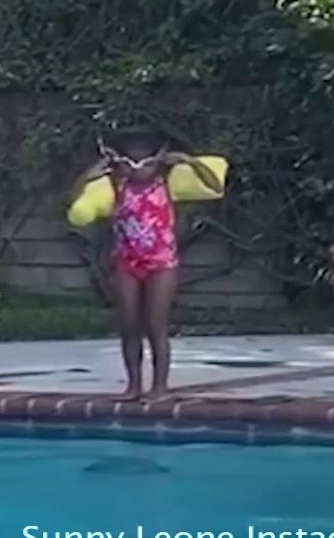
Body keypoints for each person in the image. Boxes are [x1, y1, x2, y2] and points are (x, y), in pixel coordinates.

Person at [71, 128, 222, 400]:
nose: (139, 170)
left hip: (162, 262)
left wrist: (190, 161)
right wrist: (86, 177)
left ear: (158, 160)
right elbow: (70, 204)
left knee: (156, 325)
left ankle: (160, 386)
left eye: (147, 163)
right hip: (127, 262)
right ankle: (133, 385)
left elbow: (214, 187)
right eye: (131, 163)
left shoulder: (168, 183)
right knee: (129, 325)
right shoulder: (116, 185)